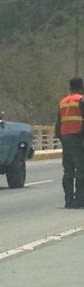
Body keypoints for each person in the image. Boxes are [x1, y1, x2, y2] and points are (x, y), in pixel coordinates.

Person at [55, 77, 84, 208]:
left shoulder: (63, 101)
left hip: (65, 137)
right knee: (81, 169)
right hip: (78, 137)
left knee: (68, 170)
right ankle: (79, 199)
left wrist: (61, 137)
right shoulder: (81, 100)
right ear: (81, 86)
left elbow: (58, 123)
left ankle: (68, 200)